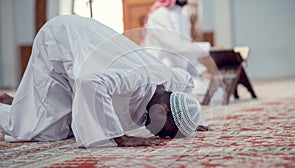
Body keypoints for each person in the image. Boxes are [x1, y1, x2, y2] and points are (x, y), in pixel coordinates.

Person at [0, 15, 209, 148]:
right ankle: (12, 107)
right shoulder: (132, 80)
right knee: (38, 130)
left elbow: (187, 84)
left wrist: (189, 120)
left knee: (70, 120)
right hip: (61, 39)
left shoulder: (172, 81)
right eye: (164, 131)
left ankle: (16, 101)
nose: (156, 134)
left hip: (87, 47)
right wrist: (118, 138)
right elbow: (89, 81)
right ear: (163, 111)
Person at [142, 0, 220, 101]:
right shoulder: (159, 15)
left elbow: (185, 55)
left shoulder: (182, 16)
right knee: (200, 93)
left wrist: (201, 71)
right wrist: (208, 48)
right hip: (161, 74)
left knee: (215, 89)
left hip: (180, 74)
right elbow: (177, 47)